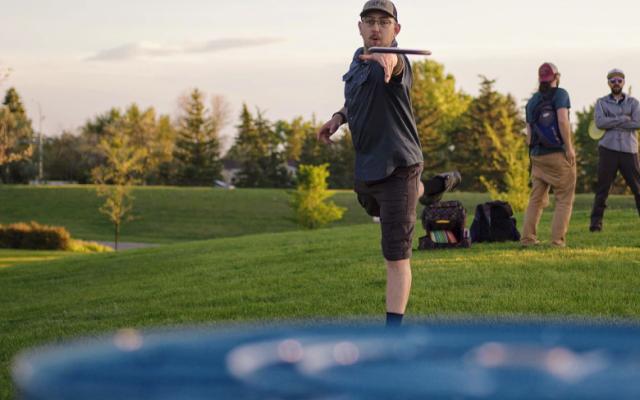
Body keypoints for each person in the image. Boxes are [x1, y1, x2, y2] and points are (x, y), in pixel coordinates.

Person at [317, 0, 423, 327]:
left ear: (396, 29)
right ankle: (425, 189)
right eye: (370, 21)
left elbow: (393, 66)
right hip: (368, 171)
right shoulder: (357, 58)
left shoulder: (397, 58)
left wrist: (388, 63)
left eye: (384, 22)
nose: (376, 27)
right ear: (360, 26)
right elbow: (357, 97)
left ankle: (393, 330)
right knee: (377, 206)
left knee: (395, 255)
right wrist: (338, 117)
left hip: (398, 166)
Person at [521, 62, 577, 247]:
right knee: (564, 198)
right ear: (557, 77)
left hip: (537, 156)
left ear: (540, 79)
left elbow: (529, 137)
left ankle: (528, 239)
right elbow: (562, 120)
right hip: (557, 154)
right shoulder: (561, 95)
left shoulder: (532, 102)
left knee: (536, 199)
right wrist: (568, 147)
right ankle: (557, 241)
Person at [590, 69, 640, 231]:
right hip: (608, 150)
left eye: (619, 80)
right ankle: (596, 224)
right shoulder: (601, 103)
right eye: (613, 81)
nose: (616, 83)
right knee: (603, 188)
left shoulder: (634, 103)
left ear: (623, 82)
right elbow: (599, 123)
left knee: (637, 187)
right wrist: (623, 119)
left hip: (629, 151)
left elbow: (637, 123)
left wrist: (611, 121)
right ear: (608, 83)